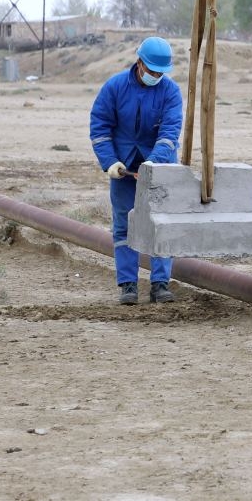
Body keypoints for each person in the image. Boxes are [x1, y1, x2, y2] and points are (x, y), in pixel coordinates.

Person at [90, 36, 183, 305]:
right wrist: (110, 162)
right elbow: (100, 127)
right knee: (124, 226)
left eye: (160, 73)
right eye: (152, 70)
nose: (156, 76)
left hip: (159, 166)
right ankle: (128, 285)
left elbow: (170, 132)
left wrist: (153, 163)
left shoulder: (170, 91)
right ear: (139, 62)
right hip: (123, 166)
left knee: (162, 224)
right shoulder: (115, 86)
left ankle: (160, 284)